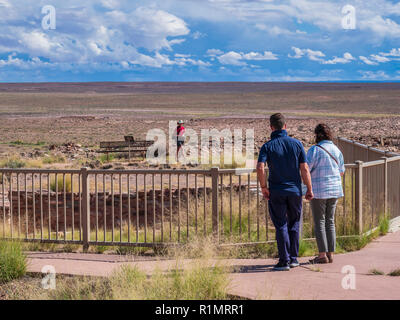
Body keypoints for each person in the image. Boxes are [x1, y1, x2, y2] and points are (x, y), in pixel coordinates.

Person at [257, 113, 313, 271]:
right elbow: (304, 168)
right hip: (295, 191)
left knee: (281, 224)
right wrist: (309, 188)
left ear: (271, 127)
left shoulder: (268, 146)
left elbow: (260, 167)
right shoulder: (297, 144)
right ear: (285, 126)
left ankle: (284, 261)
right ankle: (294, 259)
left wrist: (263, 187)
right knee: (294, 222)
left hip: (276, 191)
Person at [307, 124, 345, 264]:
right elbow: (341, 170)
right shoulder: (336, 150)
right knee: (330, 222)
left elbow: (306, 169)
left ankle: (322, 255)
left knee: (320, 222)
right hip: (335, 190)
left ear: (317, 135)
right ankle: (331, 254)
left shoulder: (314, 150)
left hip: (319, 190)